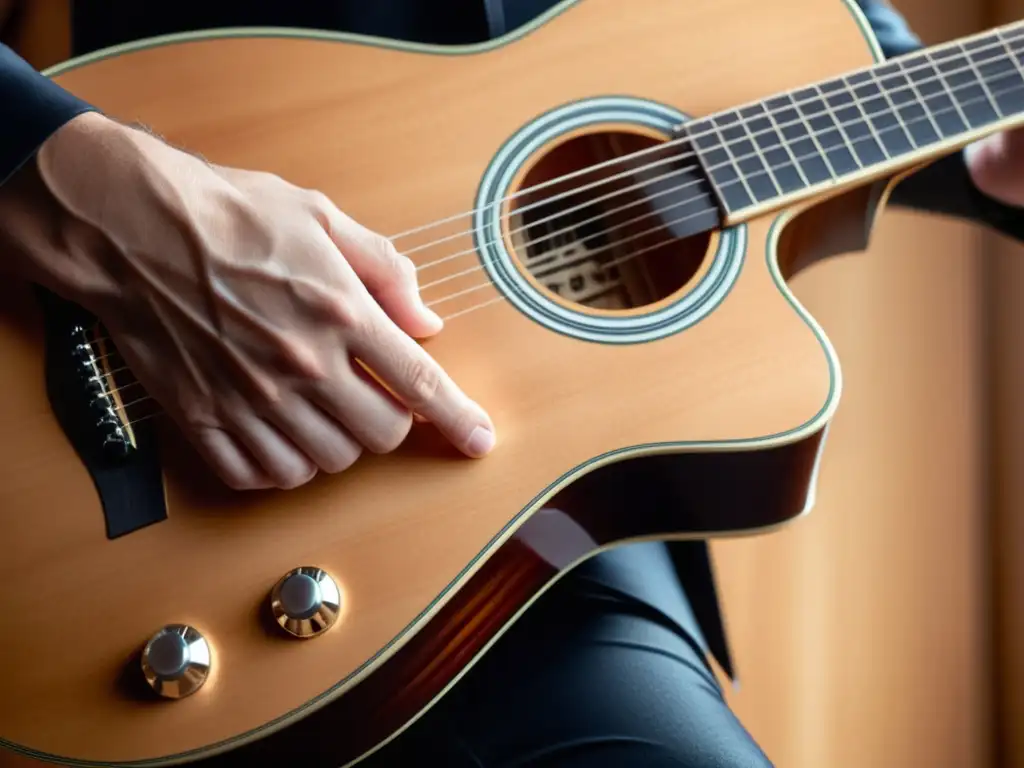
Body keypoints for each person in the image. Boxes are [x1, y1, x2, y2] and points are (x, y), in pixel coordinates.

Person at [1, 2, 1022, 766]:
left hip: (542, 541)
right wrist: (67, 172)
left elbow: (814, 47)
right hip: (94, 314)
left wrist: (985, 153)